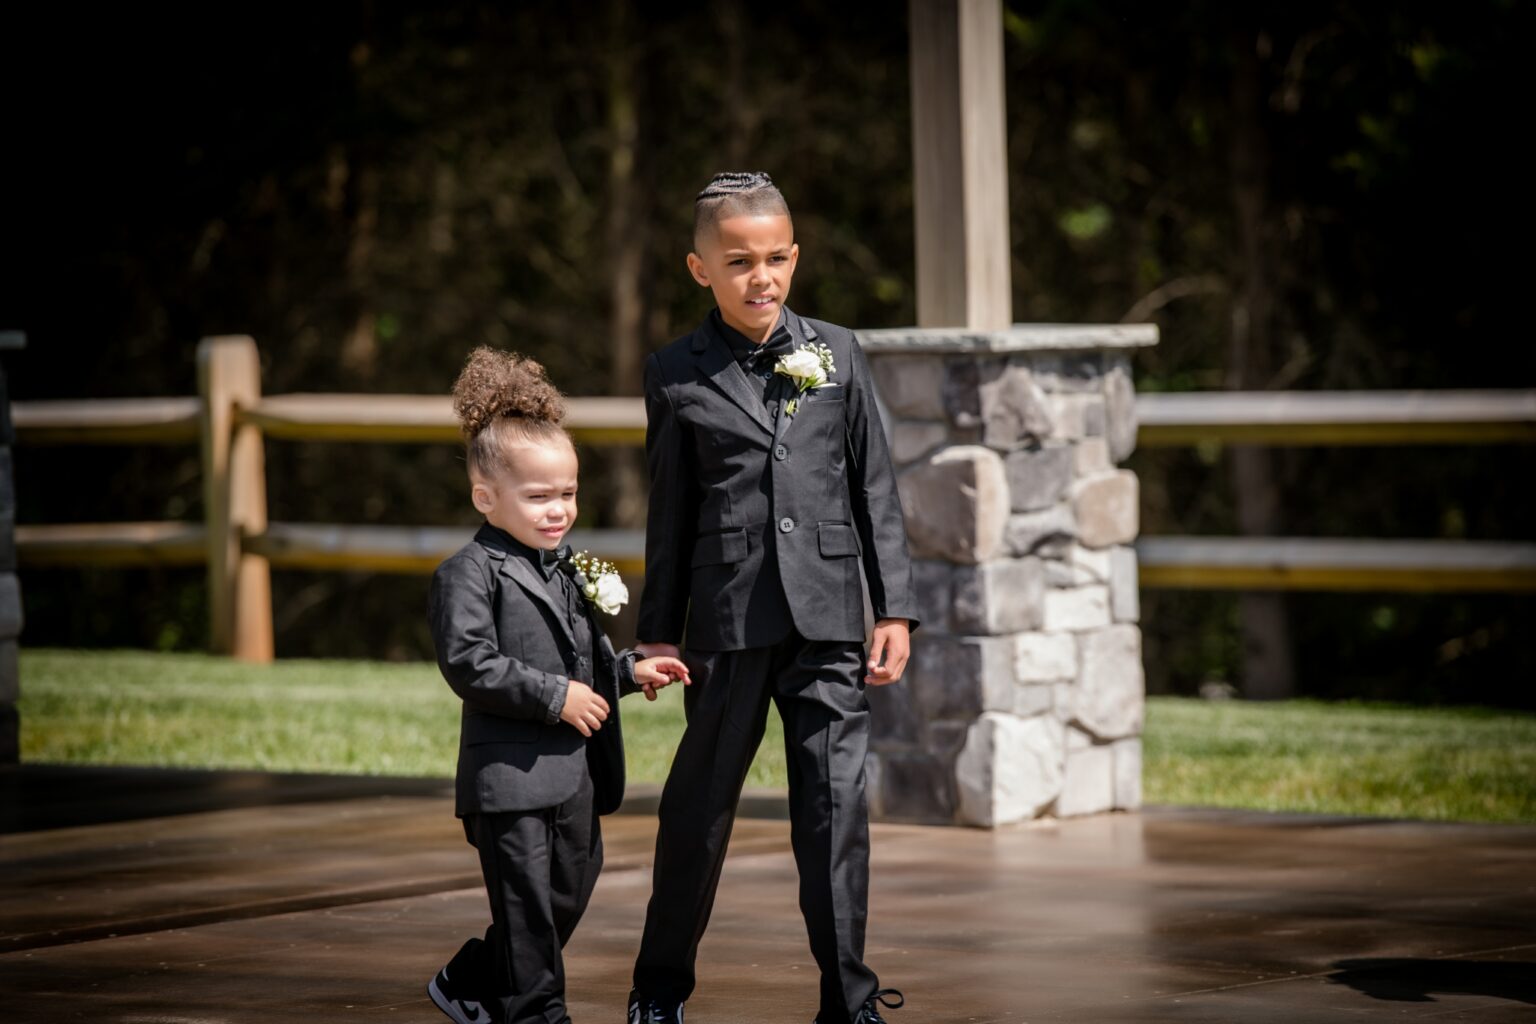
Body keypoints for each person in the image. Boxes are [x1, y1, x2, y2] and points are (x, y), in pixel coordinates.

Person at [627, 172, 918, 1024]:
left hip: (830, 619)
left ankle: (850, 1001)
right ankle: (657, 994)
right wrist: (656, 634)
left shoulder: (838, 351)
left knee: (834, 816)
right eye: (740, 260)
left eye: (777, 258)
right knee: (699, 814)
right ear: (700, 269)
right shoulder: (674, 373)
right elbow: (668, 515)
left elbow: (875, 487)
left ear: (796, 256)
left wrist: (892, 607)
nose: (763, 277)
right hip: (726, 623)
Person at [427, 347, 688, 1024]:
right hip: (509, 778)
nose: (558, 510)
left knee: (567, 893)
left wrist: (627, 672)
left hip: (574, 776)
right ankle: (537, 1013)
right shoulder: (469, 573)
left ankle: (472, 977)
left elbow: (582, 660)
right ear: (487, 497)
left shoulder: (563, 567)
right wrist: (553, 697)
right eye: (538, 496)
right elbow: (469, 661)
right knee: (527, 910)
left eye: (568, 493)